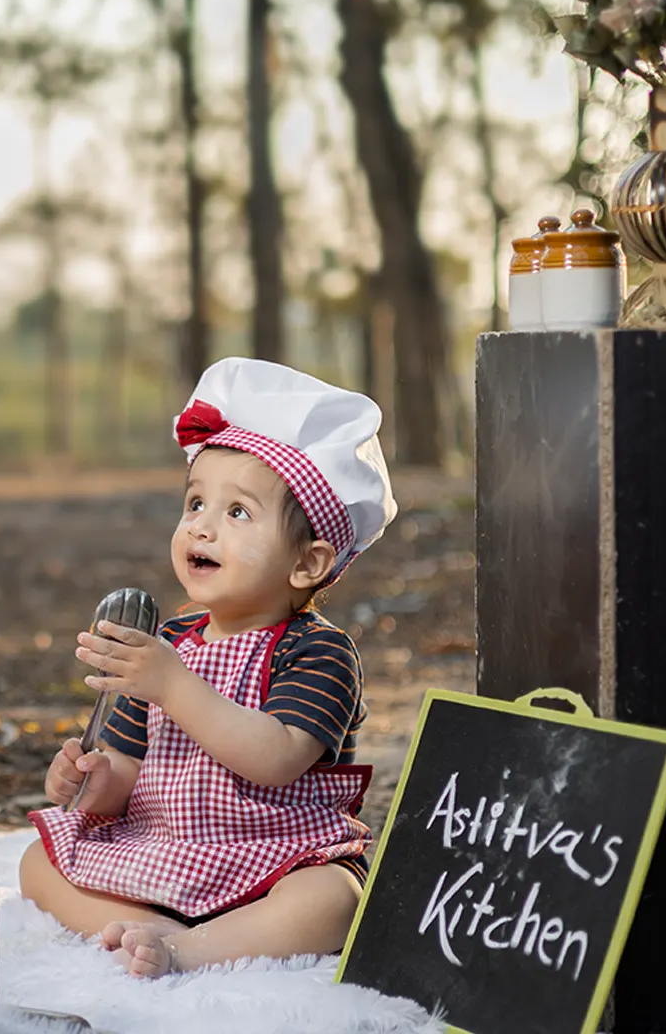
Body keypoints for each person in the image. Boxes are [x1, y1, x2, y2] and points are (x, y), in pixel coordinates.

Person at [21, 356, 398, 978]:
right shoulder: (170, 640)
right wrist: (90, 783)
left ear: (307, 563)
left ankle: (191, 949)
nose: (201, 526)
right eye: (195, 503)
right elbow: (128, 767)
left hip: (272, 856)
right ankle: (154, 926)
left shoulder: (319, 652)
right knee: (39, 858)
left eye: (237, 513)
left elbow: (275, 759)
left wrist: (172, 682)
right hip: (169, 851)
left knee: (334, 901)